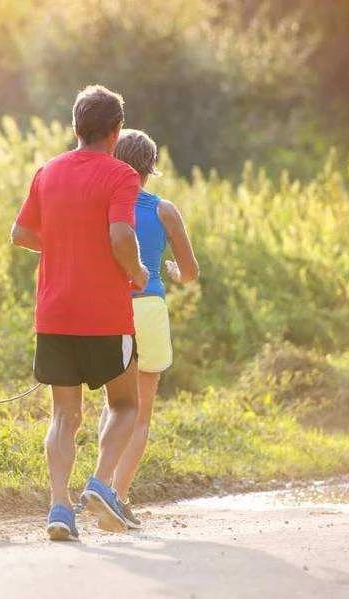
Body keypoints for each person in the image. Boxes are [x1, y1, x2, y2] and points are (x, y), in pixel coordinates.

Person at [11, 85, 148, 541]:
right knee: (126, 403)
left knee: (63, 415)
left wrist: (66, 246)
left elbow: (21, 232)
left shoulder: (47, 172)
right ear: (117, 130)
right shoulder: (121, 175)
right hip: (105, 315)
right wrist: (138, 271)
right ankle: (100, 483)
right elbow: (122, 238)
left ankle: (58, 507)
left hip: (54, 314)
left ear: (75, 127)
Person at [99, 129, 199, 528]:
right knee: (139, 414)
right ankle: (118, 498)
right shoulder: (165, 210)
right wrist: (174, 272)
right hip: (150, 310)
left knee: (112, 407)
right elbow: (190, 272)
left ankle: (100, 485)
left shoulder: (104, 205)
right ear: (151, 167)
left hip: (108, 310)